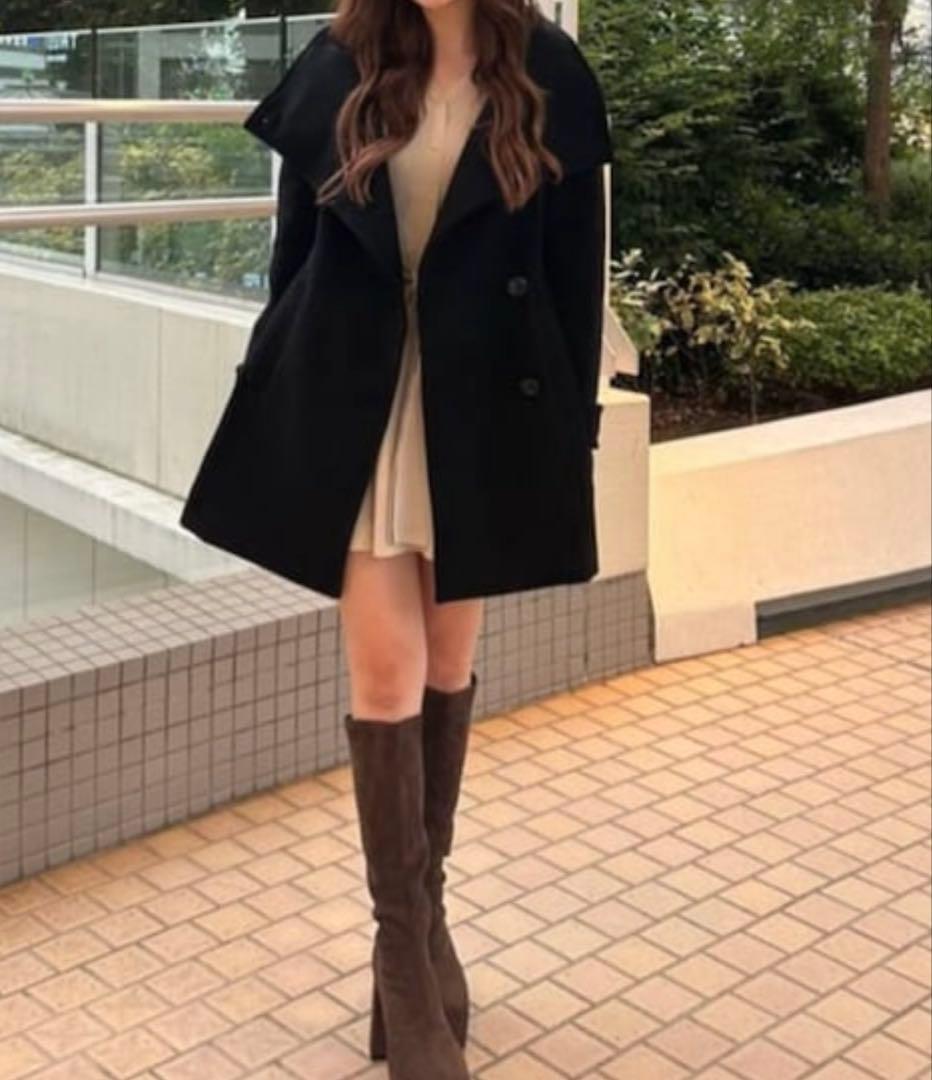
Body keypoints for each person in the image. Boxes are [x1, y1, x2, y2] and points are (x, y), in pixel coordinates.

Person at [180, 0, 612, 1075]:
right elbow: (293, 256)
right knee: (385, 674)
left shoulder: (547, 69)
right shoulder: (342, 59)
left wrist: (571, 435)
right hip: (358, 407)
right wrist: (273, 387)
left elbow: (576, 274)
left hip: (484, 413)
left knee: (449, 669)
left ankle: (426, 924)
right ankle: (403, 963)